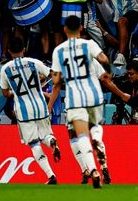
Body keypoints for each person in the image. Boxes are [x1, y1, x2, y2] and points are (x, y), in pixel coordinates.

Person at [49, 15, 110, 189]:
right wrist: (110, 72)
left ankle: (92, 170)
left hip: (74, 98)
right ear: (81, 28)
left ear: (65, 30)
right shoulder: (89, 45)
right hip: (94, 95)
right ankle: (97, 139)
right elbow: (104, 60)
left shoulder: (58, 51)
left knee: (81, 135)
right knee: (96, 127)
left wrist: (57, 74)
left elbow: (55, 81)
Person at [0, 37, 60, 184]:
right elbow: (54, 76)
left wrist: (15, 91)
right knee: (45, 135)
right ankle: (51, 141)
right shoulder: (34, 62)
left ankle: (51, 175)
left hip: (23, 109)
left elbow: (5, 93)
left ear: (8, 51)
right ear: (24, 49)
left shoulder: (5, 68)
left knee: (33, 143)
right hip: (40, 105)